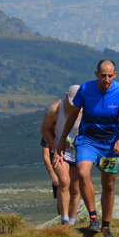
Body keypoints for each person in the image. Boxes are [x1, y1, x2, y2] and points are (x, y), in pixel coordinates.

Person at [56, 60, 119, 237]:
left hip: (110, 144)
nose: (106, 79)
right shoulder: (85, 89)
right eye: (103, 75)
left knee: (109, 185)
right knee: (83, 173)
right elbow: (73, 116)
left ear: (115, 74)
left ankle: (106, 227)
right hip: (87, 141)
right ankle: (93, 218)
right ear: (96, 74)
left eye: (110, 76)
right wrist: (61, 141)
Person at [39, 85, 83, 225]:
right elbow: (45, 130)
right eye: (71, 102)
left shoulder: (86, 109)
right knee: (64, 181)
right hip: (60, 151)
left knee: (75, 188)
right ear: (66, 96)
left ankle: (72, 221)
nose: (73, 106)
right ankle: (63, 219)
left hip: (78, 151)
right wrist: (56, 147)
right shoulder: (55, 109)